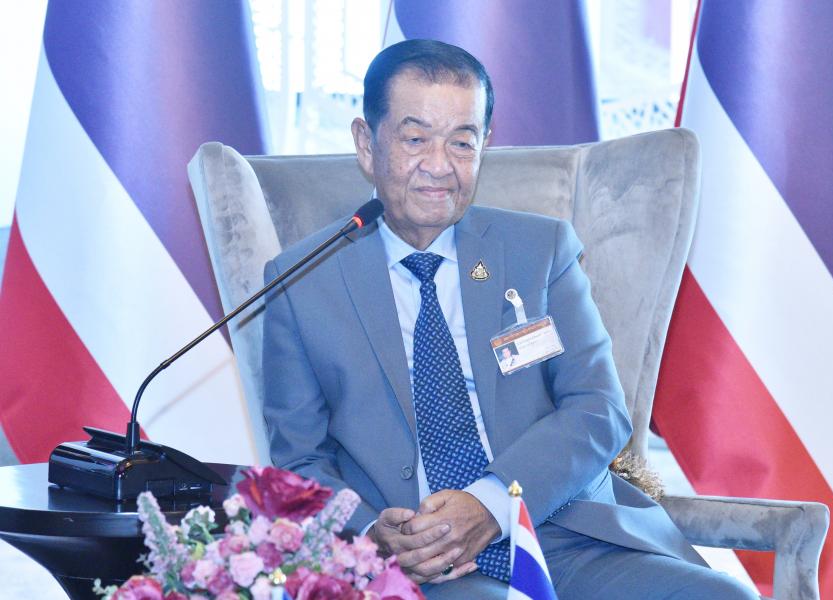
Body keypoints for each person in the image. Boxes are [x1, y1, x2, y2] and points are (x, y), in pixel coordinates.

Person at [262, 39, 756, 599]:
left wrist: (492, 503)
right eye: (415, 139)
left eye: (462, 141)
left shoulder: (539, 251)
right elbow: (299, 459)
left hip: (563, 532)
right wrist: (373, 535)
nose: (439, 166)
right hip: (423, 559)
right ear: (366, 143)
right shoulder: (302, 281)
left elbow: (598, 409)